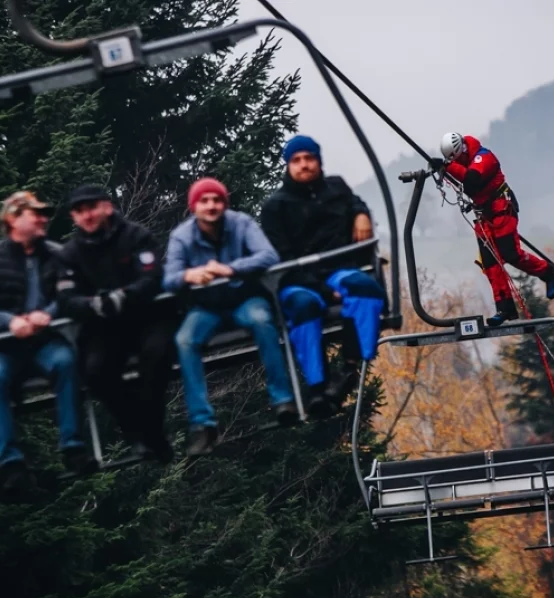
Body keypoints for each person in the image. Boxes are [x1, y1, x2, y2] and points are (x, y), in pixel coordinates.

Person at [0, 191, 92, 492]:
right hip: (6, 344)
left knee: (66, 363)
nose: (42, 220)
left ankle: (73, 446)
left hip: (46, 340)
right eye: (35, 214)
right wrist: (10, 322)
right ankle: (10, 462)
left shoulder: (56, 254)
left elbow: (70, 293)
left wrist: (47, 315)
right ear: (13, 219)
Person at [164, 177, 298, 456]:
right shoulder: (182, 236)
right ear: (194, 206)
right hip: (207, 308)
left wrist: (231, 269)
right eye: (204, 201)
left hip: (244, 299)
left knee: (262, 321)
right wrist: (188, 275)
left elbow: (268, 256)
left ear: (224, 203)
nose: (211, 206)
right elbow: (169, 278)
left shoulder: (241, 224)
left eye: (216, 200)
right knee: (185, 340)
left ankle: (282, 399)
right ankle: (202, 423)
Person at [260, 135, 387, 417]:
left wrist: (361, 214)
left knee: (365, 288)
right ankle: (318, 386)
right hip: (298, 278)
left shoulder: (336, 188)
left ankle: (351, 365)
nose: (304, 165)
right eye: (297, 160)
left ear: (318, 160)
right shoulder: (275, 207)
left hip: (337, 270)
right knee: (303, 306)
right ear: (288, 165)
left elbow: (354, 202)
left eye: (309, 158)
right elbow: (283, 258)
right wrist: (325, 292)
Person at [55, 184, 175, 464]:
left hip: (147, 317)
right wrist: (93, 305)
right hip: (103, 327)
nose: (87, 215)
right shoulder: (69, 254)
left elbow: (153, 276)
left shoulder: (136, 236)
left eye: (92, 207)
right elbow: (65, 298)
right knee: (95, 370)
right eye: (79, 211)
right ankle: (134, 433)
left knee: (157, 356)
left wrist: (124, 296)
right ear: (73, 217)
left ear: (107, 207)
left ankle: (154, 431)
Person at [432, 132, 554, 327]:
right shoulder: (460, 162)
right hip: (483, 214)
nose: (455, 162)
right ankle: (504, 307)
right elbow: (463, 179)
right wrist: (442, 168)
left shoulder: (484, 157)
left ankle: (548, 271)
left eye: (457, 158)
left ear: (463, 150)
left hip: (501, 208)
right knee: (490, 263)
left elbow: (472, 180)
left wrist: (447, 167)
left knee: (511, 254)